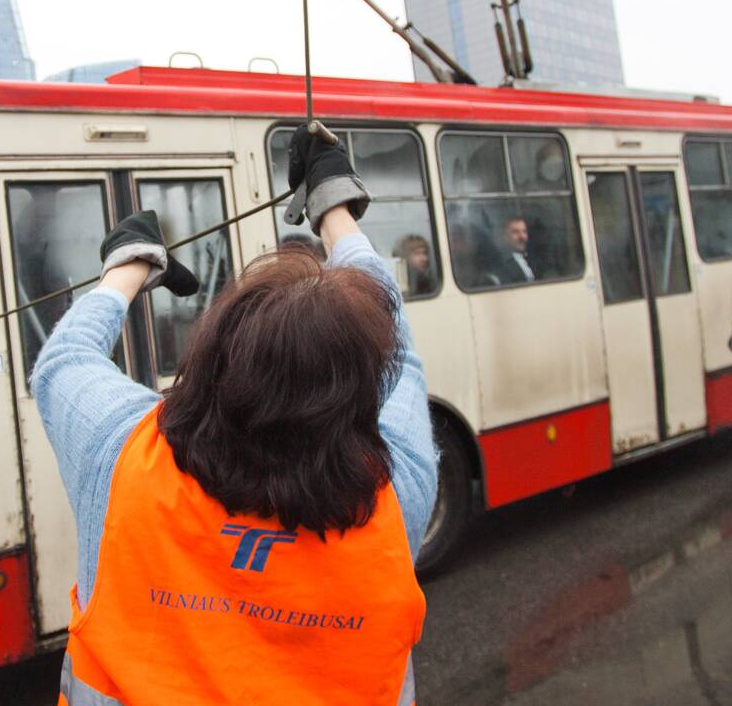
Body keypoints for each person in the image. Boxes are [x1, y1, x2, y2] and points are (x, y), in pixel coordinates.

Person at [32, 125, 437, 706]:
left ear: (209, 358)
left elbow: (61, 363)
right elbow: (397, 341)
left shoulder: (122, 457)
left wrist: (127, 267)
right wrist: (335, 211)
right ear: (360, 390)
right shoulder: (396, 497)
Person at [495, 217, 538, 284]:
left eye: (524, 231)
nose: (522, 236)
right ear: (504, 237)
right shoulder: (501, 264)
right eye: (515, 232)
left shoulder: (532, 257)